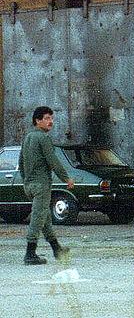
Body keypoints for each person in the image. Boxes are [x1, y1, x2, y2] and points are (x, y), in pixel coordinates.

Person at [19, 106, 75, 265]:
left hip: (30, 185)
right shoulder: (43, 138)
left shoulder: (28, 137)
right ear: (37, 120)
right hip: (41, 185)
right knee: (38, 218)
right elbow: (53, 161)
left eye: (51, 118)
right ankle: (30, 254)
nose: (51, 122)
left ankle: (57, 249)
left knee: (45, 217)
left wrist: (26, 181)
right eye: (47, 118)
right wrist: (66, 179)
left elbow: (20, 162)